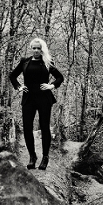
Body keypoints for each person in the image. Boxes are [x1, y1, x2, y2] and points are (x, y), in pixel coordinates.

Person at [9, 36, 64, 168]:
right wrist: (19, 86)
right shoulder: (25, 62)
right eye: (33, 48)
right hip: (28, 98)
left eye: (38, 48)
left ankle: (45, 158)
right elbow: (12, 76)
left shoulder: (47, 62)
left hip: (44, 98)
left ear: (42, 49)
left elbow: (60, 77)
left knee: (45, 127)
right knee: (27, 128)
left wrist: (51, 86)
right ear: (31, 49)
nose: (36, 51)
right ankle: (32, 157)